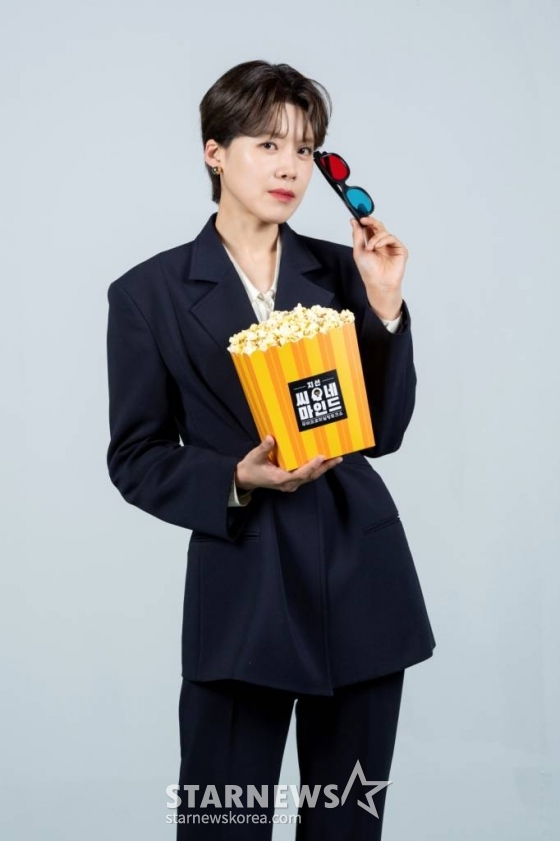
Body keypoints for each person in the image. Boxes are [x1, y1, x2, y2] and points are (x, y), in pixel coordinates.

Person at [106, 59, 436, 840]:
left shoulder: (344, 270)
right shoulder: (148, 294)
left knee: (346, 826)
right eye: (267, 144)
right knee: (221, 823)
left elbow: (383, 432)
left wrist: (384, 306)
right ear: (214, 153)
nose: (290, 166)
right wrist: (235, 476)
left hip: (361, 585)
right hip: (242, 599)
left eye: (304, 148)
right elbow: (137, 455)